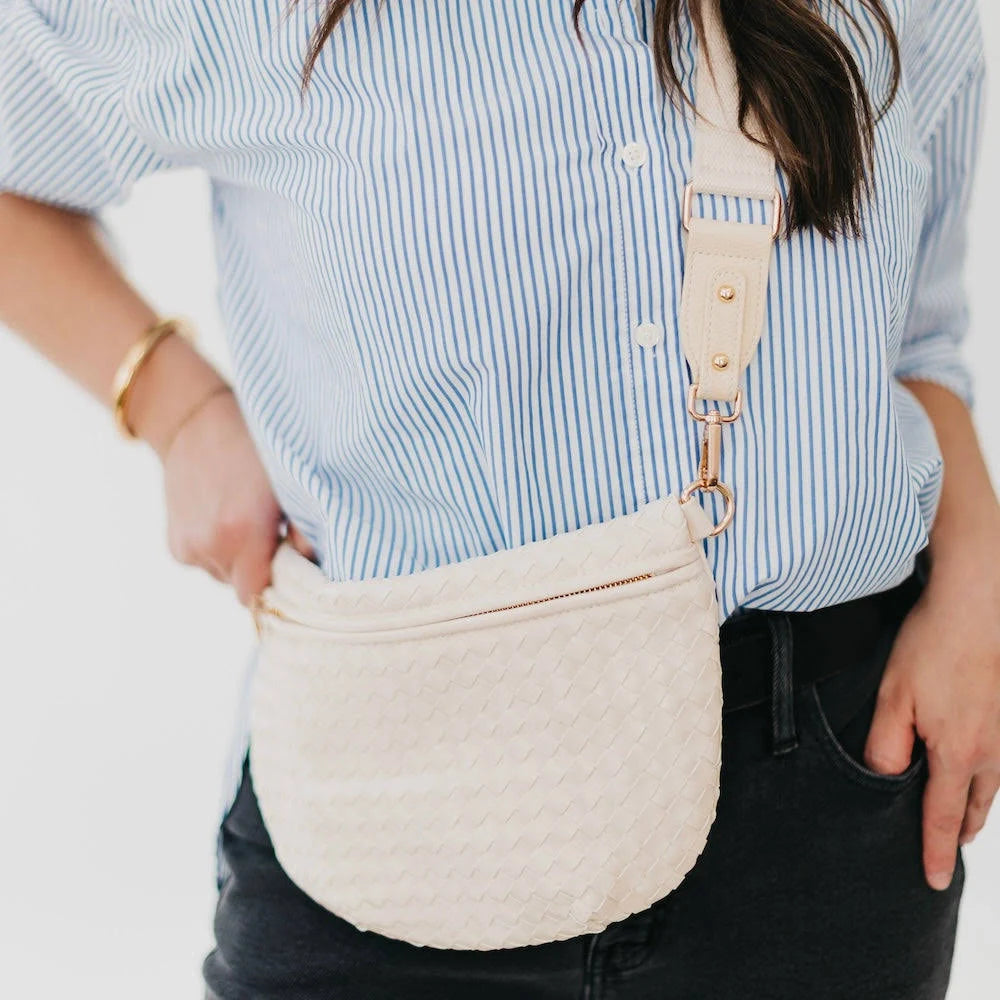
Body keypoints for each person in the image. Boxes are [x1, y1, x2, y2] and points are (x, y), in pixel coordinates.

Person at [1, 1, 998, 997]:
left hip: (819, 807)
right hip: (391, 812)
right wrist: (177, 408)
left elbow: (918, 336)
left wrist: (977, 583)